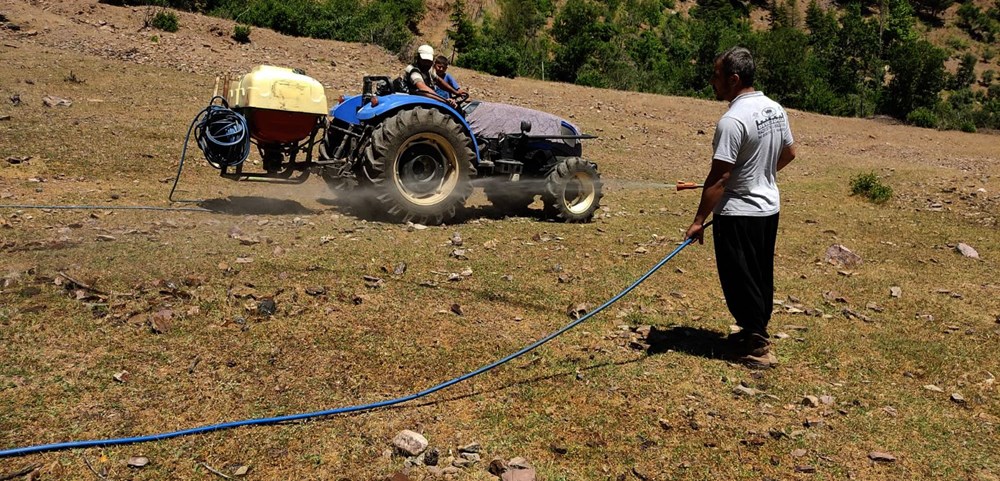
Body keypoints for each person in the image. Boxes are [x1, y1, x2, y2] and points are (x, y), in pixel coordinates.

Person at [684, 46, 797, 369]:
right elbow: (789, 153)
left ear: (734, 79)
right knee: (759, 274)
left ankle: (757, 345)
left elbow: (720, 178)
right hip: (768, 208)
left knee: (738, 277)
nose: (712, 81)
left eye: (717, 76)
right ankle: (752, 331)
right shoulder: (774, 109)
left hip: (738, 214)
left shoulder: (732, 120)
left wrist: (698, 221)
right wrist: (759, 174)